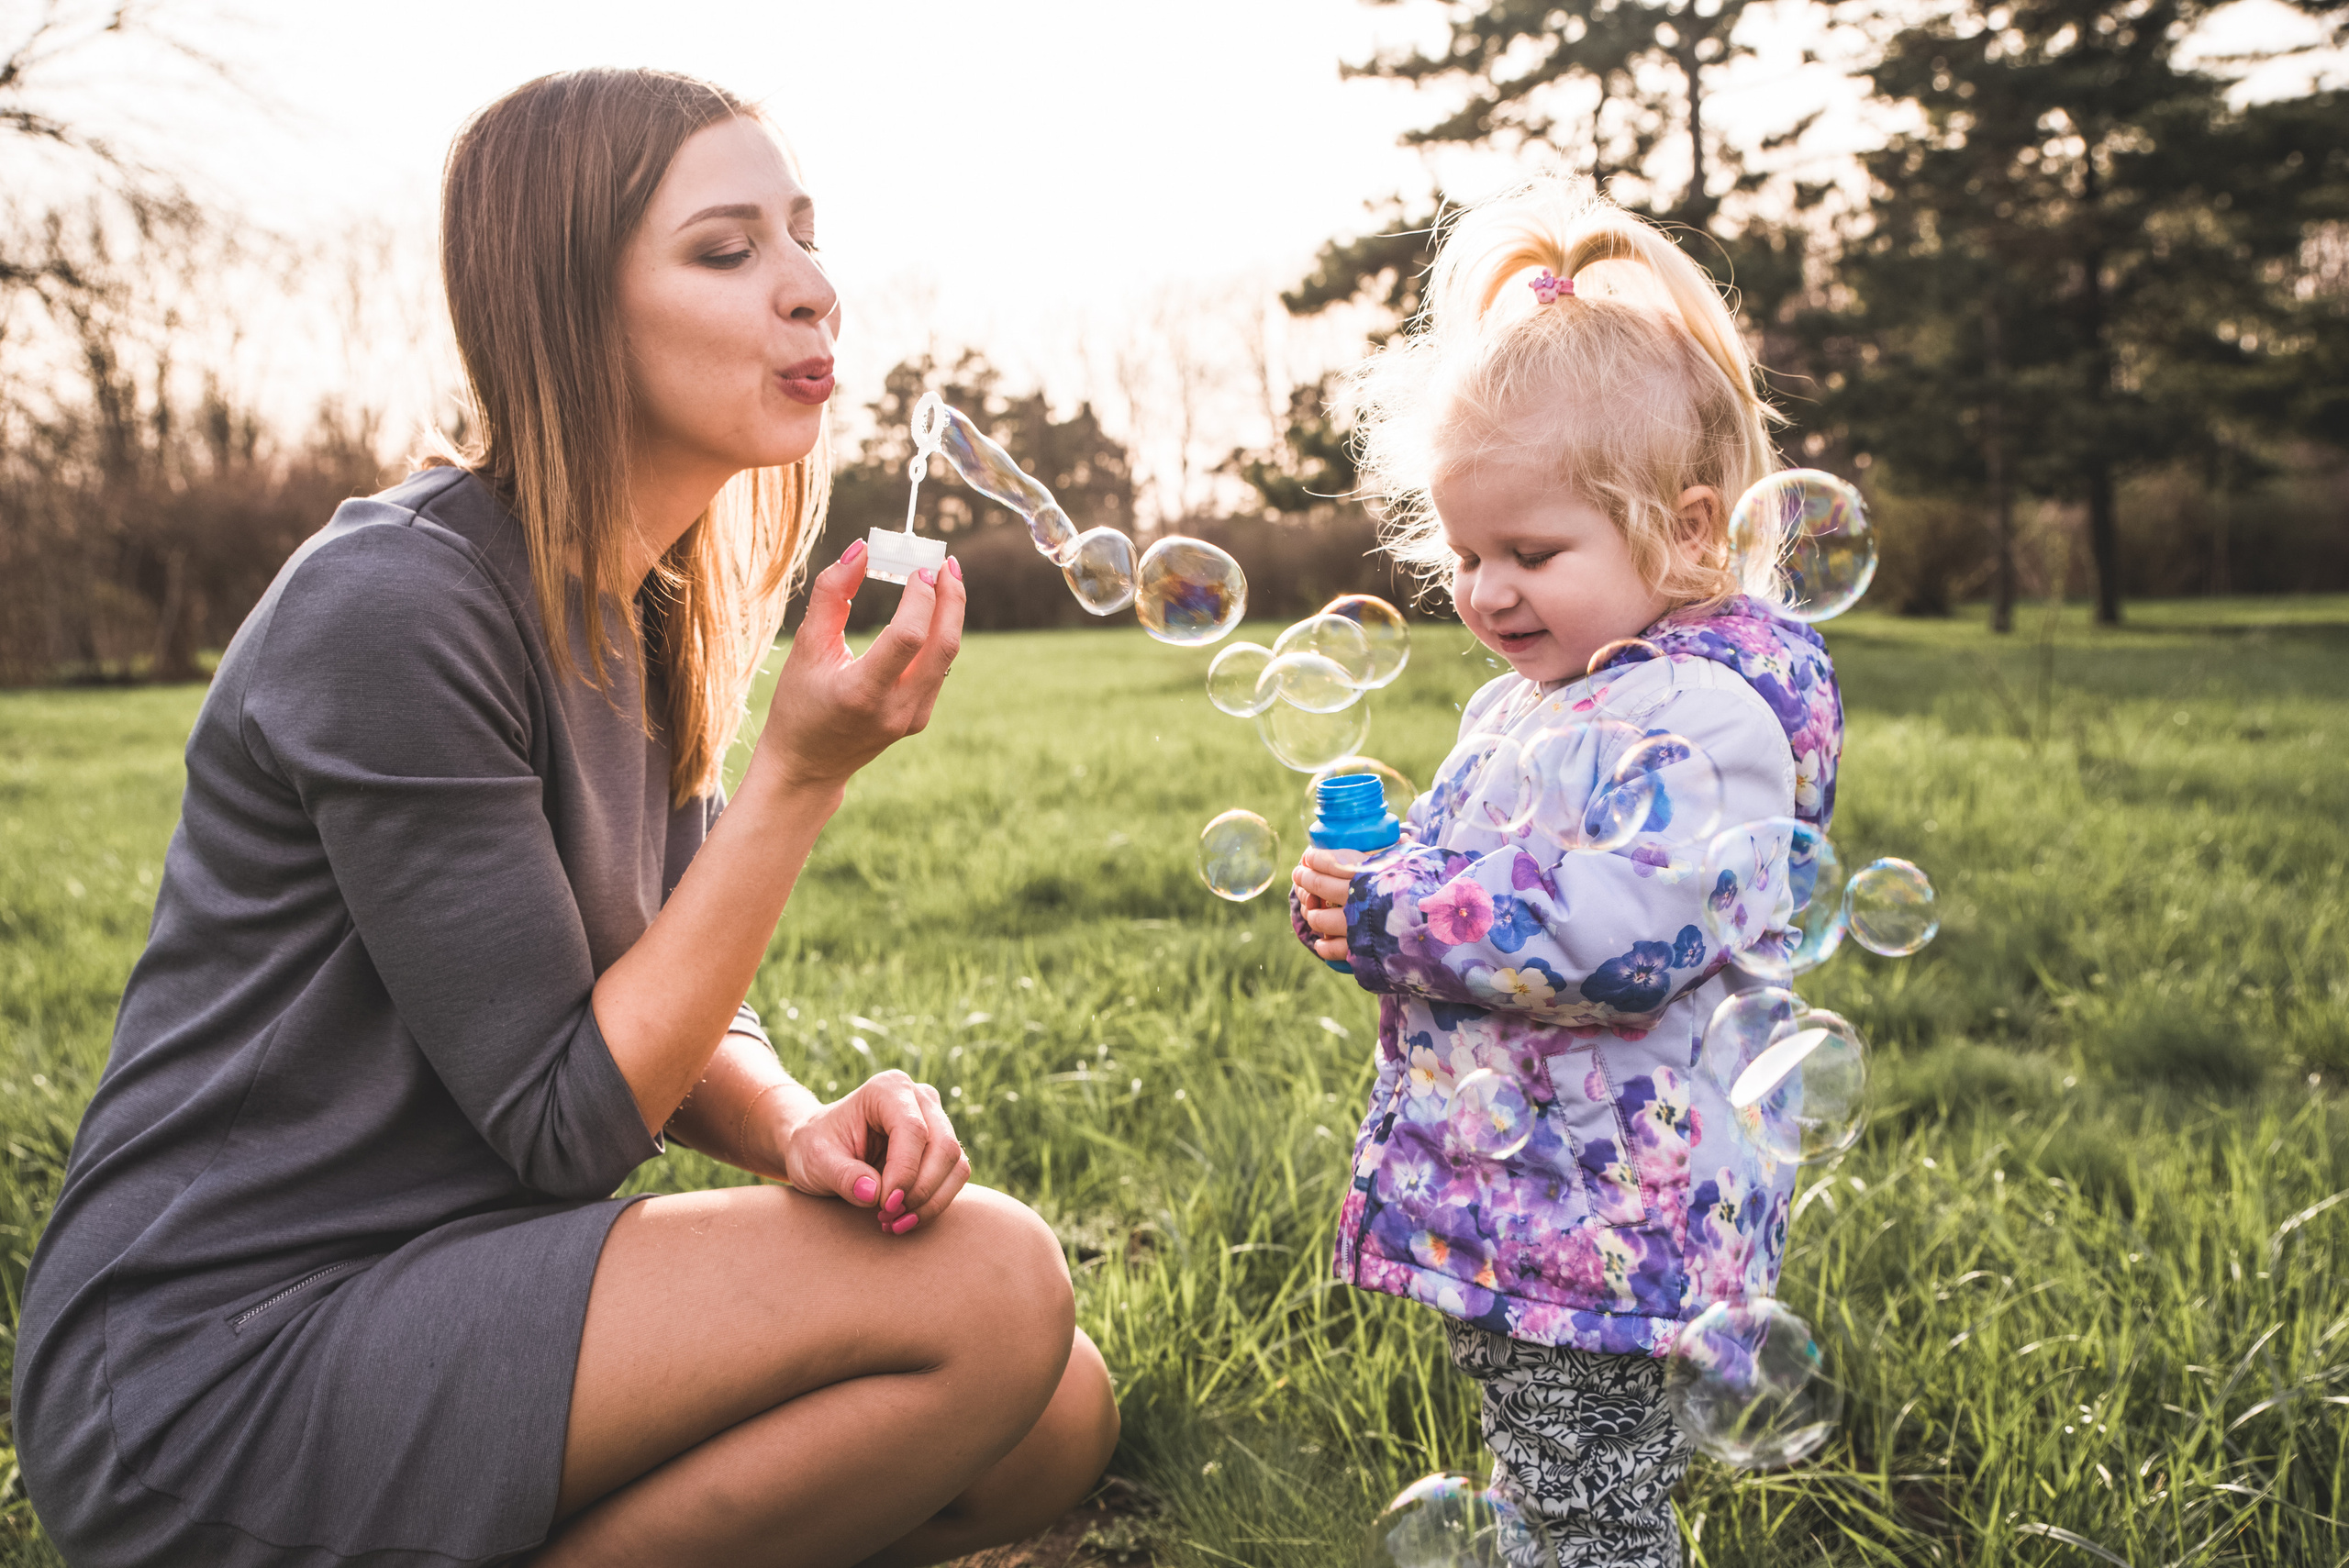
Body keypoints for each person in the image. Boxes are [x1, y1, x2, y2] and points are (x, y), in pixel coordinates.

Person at [16, 68, 1118, 1568]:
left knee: (1052, 1404)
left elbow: (670, 1002)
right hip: (224, 1358)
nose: (812, 291)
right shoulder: (396, 603)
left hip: (449, 1283)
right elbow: (562, 1117)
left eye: (804, 233)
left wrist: (795, 1125)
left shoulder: (642, 611)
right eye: (728, 251)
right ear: (569, 310)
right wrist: (799, 776)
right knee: (989, 1292)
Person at [1289, 182, 1843, 1566]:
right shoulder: (1546, 699)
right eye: (1468, 553)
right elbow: (1499, 870)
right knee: (1546, 1470)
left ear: (1691, 528)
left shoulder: (1708, 716)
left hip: (1611, 1213)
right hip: (1536, 1188)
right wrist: (1378, 887)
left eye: (1532, 553)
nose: (1485, 590)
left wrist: (1401, 915)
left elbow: (1618, 933)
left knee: (1595, 1501)